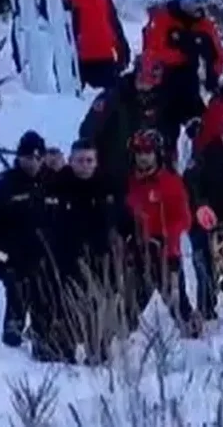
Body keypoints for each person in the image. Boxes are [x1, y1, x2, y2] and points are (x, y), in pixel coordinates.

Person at [49, 139, 131, 363]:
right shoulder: (58, 184)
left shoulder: (108, 184)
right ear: (71, 161)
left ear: (96, 162)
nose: (84, 165)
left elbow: (125, 220)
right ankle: (66, 348)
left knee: (101, 305)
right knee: (70, 306)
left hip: (102, 258)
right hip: (67, 258)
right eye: (79, 161)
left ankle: (100, 348)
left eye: (89, 161)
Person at [0, 131, 57, 349]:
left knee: (43, 286)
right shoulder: (3, 183)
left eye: (37, 158)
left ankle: (41, 333)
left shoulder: (51, 182)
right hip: (5, 252)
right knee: (16, 278)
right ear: (20, 157)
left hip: (42, 254)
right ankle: (13, 327)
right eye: (28, 158)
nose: (33, 163)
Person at [124, 129, 199, 337]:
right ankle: (122, 345)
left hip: (166, 254)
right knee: (132, 306)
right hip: (138, 254)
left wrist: (166, 237)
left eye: (147, 152)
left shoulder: (171, 183)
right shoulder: (129, 183)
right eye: (139, 152)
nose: (143, 157)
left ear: (157, 154)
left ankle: (194, 341)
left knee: (178, 303)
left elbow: (184, 218)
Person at [184, 107, 223, 320]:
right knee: (205, 270)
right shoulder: (205, 156)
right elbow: (190, 183)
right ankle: (206, 312)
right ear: (222, 133)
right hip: (204, 223)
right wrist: (200, 206)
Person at [79, 57, 184, 183]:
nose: (146, 86)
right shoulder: (113, 97)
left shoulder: (163, 100)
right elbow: (88, 130)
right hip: (115, 172)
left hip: (151, 175)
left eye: (151, 82)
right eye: (143, 80)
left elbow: (169, 134)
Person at [141, 0, 223, 126]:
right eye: (195, 3)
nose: (199, 8)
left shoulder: (205, 25)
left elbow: (217, 54)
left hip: (192, 84)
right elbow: (152, 52)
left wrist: (214, 75)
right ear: (183, 2)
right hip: (162, 82)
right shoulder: (163, 18)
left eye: (201, 3)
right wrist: (183, 54)